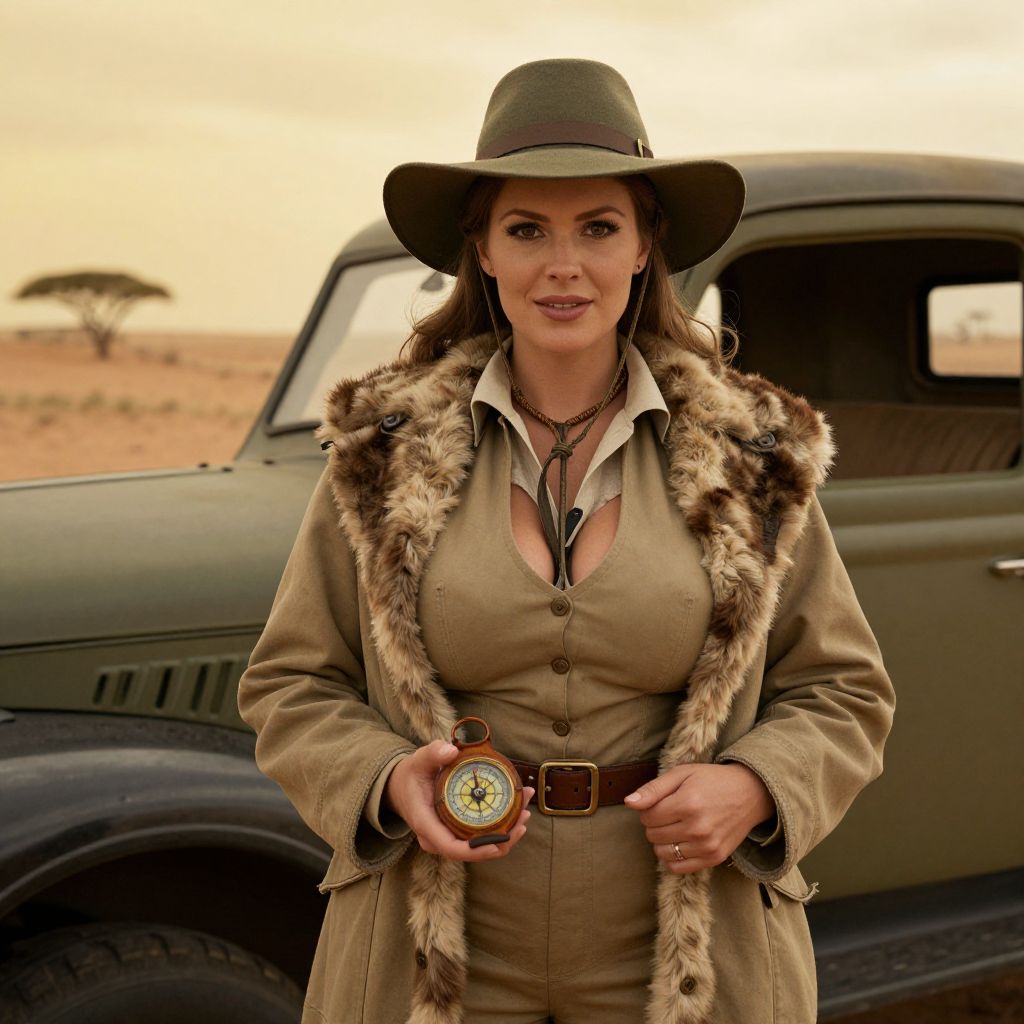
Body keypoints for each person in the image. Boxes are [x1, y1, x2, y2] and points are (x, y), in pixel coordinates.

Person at [236, 58, 895, 1024]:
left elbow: (844, 689)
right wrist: (385, 780)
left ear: (643, 250)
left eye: (598, 227)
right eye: (526, 229)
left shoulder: (752, 457)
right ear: (482, 252)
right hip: (439, 942)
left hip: (681, 941)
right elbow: (291, 684)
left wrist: (755, 786)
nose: (562, 265)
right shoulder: (381, 451)